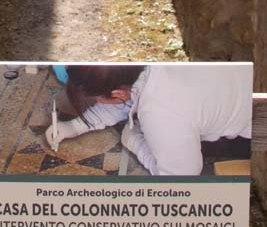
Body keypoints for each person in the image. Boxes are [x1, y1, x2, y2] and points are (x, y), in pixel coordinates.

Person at [46, 63, 251, 177]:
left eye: (98, 98)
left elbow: (180, 179)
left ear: (117, 93)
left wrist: (136, 143)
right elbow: (125, 100)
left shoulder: (162, 112)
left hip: (257, 132)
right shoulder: (142, 68)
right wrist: (75, 126)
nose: (98, 102)